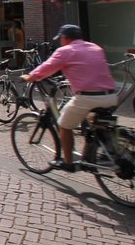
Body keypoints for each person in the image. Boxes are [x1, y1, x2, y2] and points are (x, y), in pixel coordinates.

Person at [21, 24, 118, 171]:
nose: (61, 41)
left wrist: (30, 77)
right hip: (111, 96)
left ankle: (68, 162)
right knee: (94, 123)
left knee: (64, 125)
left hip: (88, 98)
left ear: (65, 38)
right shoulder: (95, 48)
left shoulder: (66, 51)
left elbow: (47, 67)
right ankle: (95, 154)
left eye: (61, 38)